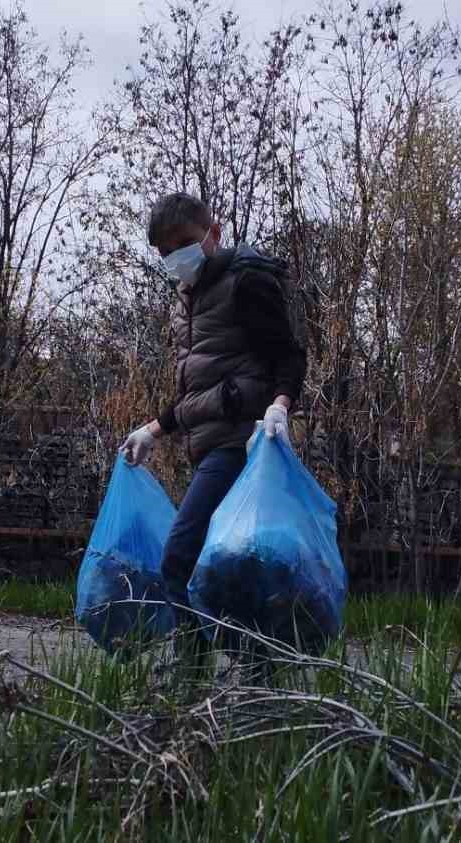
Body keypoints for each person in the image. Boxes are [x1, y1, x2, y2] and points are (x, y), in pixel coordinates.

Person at [120, 192, 307, 670]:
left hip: (240, 443)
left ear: (213, 234)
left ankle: (195, 672)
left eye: (182, 244)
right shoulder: (193, 299)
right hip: (210, 446)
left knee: (180, 555)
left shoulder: (245, 281)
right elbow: (203, 393)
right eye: (164, 253)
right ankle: (255, 668)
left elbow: (288, 355)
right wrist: (153, 429)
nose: (174, 259)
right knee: (225, 565)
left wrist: (280, 406)